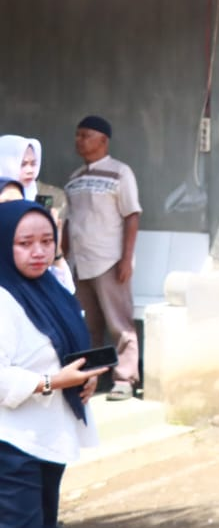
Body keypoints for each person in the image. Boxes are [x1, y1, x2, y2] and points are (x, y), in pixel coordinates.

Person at [0, 200, 109, 528]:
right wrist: (51, 381)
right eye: (24, 243)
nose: (38, 252)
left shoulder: (51, 288)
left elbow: (70, 347)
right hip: (12, 444)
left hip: (48, 436)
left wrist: (82, 382)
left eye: (46, 241)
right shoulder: (3, 298)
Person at [63, 117, 141, 399]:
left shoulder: (120, 173)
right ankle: (95, 377)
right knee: (87, 324)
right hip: (79, 263)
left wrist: (126, 259)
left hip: (109, 261)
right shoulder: (74, 179)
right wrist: (64, 256)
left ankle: (124, 378)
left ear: (103, 141)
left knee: (119, 323)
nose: (79, 140)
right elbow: (69, 221)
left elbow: (132, 215)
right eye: (77, 135)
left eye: (85, 135)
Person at [0, 136, 73, 291]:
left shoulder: (36, 200)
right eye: (23, 164)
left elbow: (67, 289)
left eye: (33, 163)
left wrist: (56, 251)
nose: (30, 170)